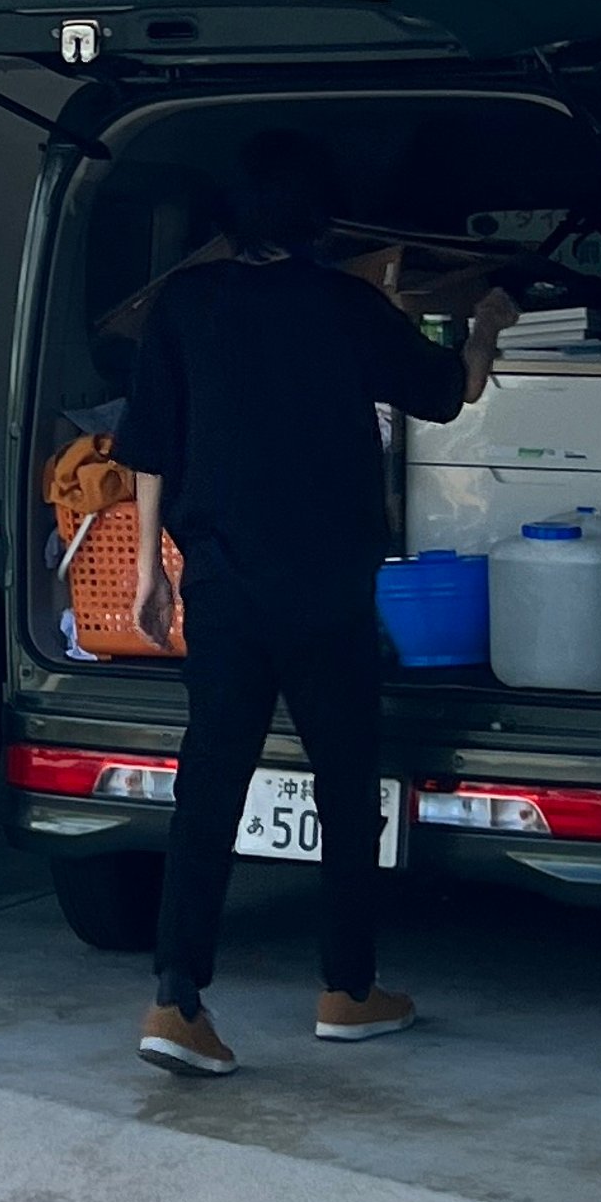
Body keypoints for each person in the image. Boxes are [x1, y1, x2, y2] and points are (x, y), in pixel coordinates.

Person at [118, 128, 510, 1076]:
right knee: (344, 782)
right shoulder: (347, 305)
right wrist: (487, 324)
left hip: (222, 583)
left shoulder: (185, 304)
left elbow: (150, 445)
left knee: (209, 785)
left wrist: (147, 575)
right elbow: (449, 393)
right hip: (328, 589)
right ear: (320, 219)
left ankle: (176, 1001)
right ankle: (348, 990)